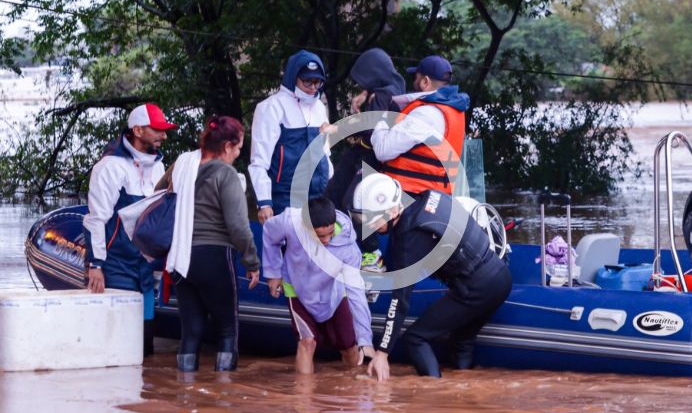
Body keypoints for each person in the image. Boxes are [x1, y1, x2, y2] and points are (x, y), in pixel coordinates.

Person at [352, 173, 512, 380]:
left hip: (476, 288)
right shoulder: (430, 197)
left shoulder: (409, 239)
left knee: (415, 338)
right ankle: (464, 391)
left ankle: (434, 390)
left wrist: (382, 353)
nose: (369, 227)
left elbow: (399, 302)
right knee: (461, 341)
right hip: (500, 275)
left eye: (372, 221)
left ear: (392, 211)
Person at [159, 116, 260, 372]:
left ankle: (186, 388)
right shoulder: (226, 174)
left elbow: (158, 195)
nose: (237, 154)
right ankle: (223, 391)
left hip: (180, 258)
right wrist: (251, 261)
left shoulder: (182, 165)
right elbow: (238, 227)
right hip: (214, 257)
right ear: (227, 146)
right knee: (227, 329)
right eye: (238, 149)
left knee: (191, 331)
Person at [83, 103, 177, 357]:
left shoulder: (158, 166)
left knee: (145, 346)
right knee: (116, 344)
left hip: (146, 267)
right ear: (137, 130)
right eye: (157, 130)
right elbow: (96, 220)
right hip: (116, 266)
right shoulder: (109, 167)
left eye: (165, 130)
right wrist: (95, 265)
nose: (163, 136)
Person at [262, 196, 375, 374]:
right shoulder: (290, 222)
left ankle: (354, 387)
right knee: (307, 342)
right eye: (320, 236)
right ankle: (303, 392)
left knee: (348, 346)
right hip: (297, 289)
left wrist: (365, 340)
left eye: (330, 233)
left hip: (334, 292)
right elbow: (269, 231)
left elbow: (356, 293)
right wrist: (273, 272)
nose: (327, 240)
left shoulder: (349, 249)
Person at [324, 48, 405, 272]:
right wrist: (363, 99)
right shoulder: (392, 87)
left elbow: (370, 127)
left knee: (354, 202)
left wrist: (338, 128)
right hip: (360, 153)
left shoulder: (383, 95)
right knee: (333, 196)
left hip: (371, 157)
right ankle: (341, 246)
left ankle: (372, 254)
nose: (361, 84)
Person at [249, 49, 333, 223]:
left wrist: (331, 185)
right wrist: (264, 203)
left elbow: (325, 152)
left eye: (317, 82)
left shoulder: (319, 107)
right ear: (293, 77)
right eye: (307, 81)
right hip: (285, 197)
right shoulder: (271, 107)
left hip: (319, 196)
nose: (313, 87)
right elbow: (259, 161)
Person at [371, 55, 469, 196]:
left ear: (425, 82)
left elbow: (382, 150)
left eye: (415, 78)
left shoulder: (426, 114)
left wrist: (381, 116)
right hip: (438, 196)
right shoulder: (454, 110)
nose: (413, 83)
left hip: (412, 197)